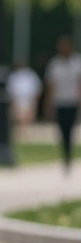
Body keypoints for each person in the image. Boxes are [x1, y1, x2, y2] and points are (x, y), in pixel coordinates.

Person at [44, 35, 81, 174]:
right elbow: (51, 86)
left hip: (72, 102)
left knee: (70, 129)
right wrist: (49, 105)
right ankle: (65, 154)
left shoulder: (77, 63)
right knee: (62, 131)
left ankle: (69, 155)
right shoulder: (54, 65)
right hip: (60, 102)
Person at [6, 60, 42, 138]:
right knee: (18, 120)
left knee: (27, 120)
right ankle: (20, 136)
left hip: (28, 101)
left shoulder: (31, 75)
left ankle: (26, 136)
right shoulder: (14, 76)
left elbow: (36, 89)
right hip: (18, 101)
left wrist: (34, 102)